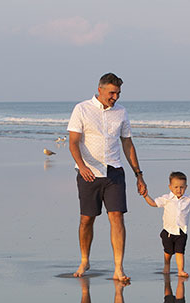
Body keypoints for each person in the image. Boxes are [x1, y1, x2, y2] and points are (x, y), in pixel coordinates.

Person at [67, 72, 147, 282]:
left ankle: (119, 268)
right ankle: (85, 259)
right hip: (89, 173)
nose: (115, 97)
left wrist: (139, 175)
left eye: (118, 93)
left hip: (114, 171)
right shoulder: (82, 109)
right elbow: (73, 142)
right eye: (112, 93)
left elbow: (127, 143)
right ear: (100, 89)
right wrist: (82, 166)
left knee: (117, 216)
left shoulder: (121, 112)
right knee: (87, 219)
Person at [142, 171, 190, 277]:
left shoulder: (188, 199)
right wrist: (145, 195)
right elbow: (153, 203)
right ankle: (166, 265)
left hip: (181, 231)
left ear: (186, 187)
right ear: (170, 187)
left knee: (180, 251)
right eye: (176, 187)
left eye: (182, 187)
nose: (179, 190)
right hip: (168, 231)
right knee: (168, 252)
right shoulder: (166, 199)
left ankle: (180, 270)